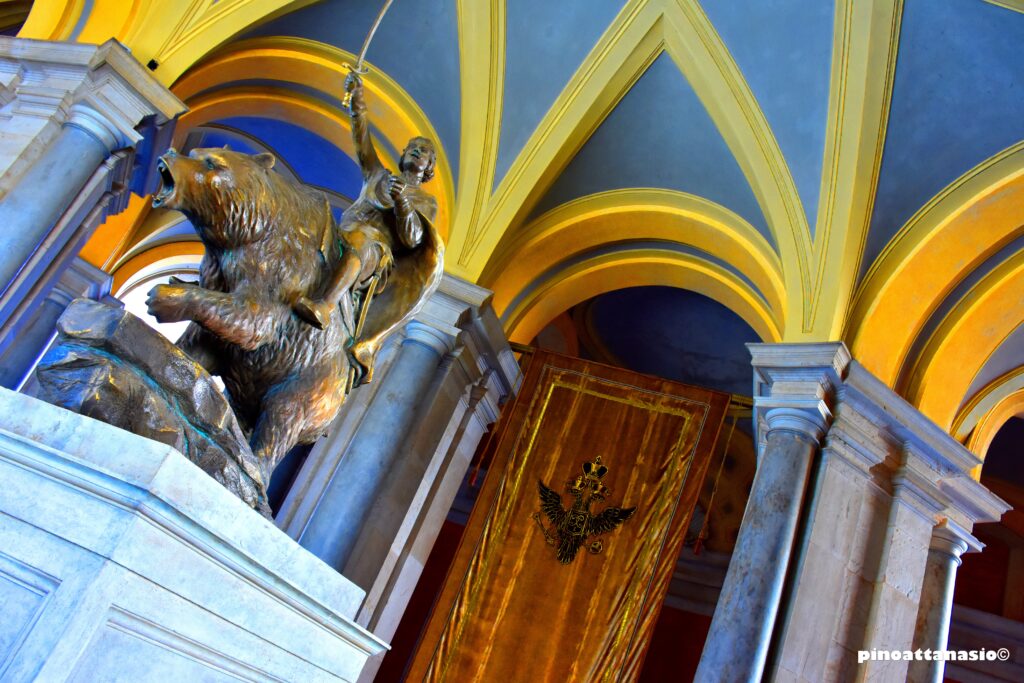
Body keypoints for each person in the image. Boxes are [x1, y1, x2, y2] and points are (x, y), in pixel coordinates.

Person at [294, 72, 438, 333]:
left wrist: (403, 203)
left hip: (375, 250)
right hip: (343, 231)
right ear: (404, 154)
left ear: (429, 167)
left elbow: (413, 238)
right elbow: (363, 141)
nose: (417, 150)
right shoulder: (377, 174)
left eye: (424, 151)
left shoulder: (426, 201)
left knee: (361, 238)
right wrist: (357, 100)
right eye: (413, 147)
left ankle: (326, 305)